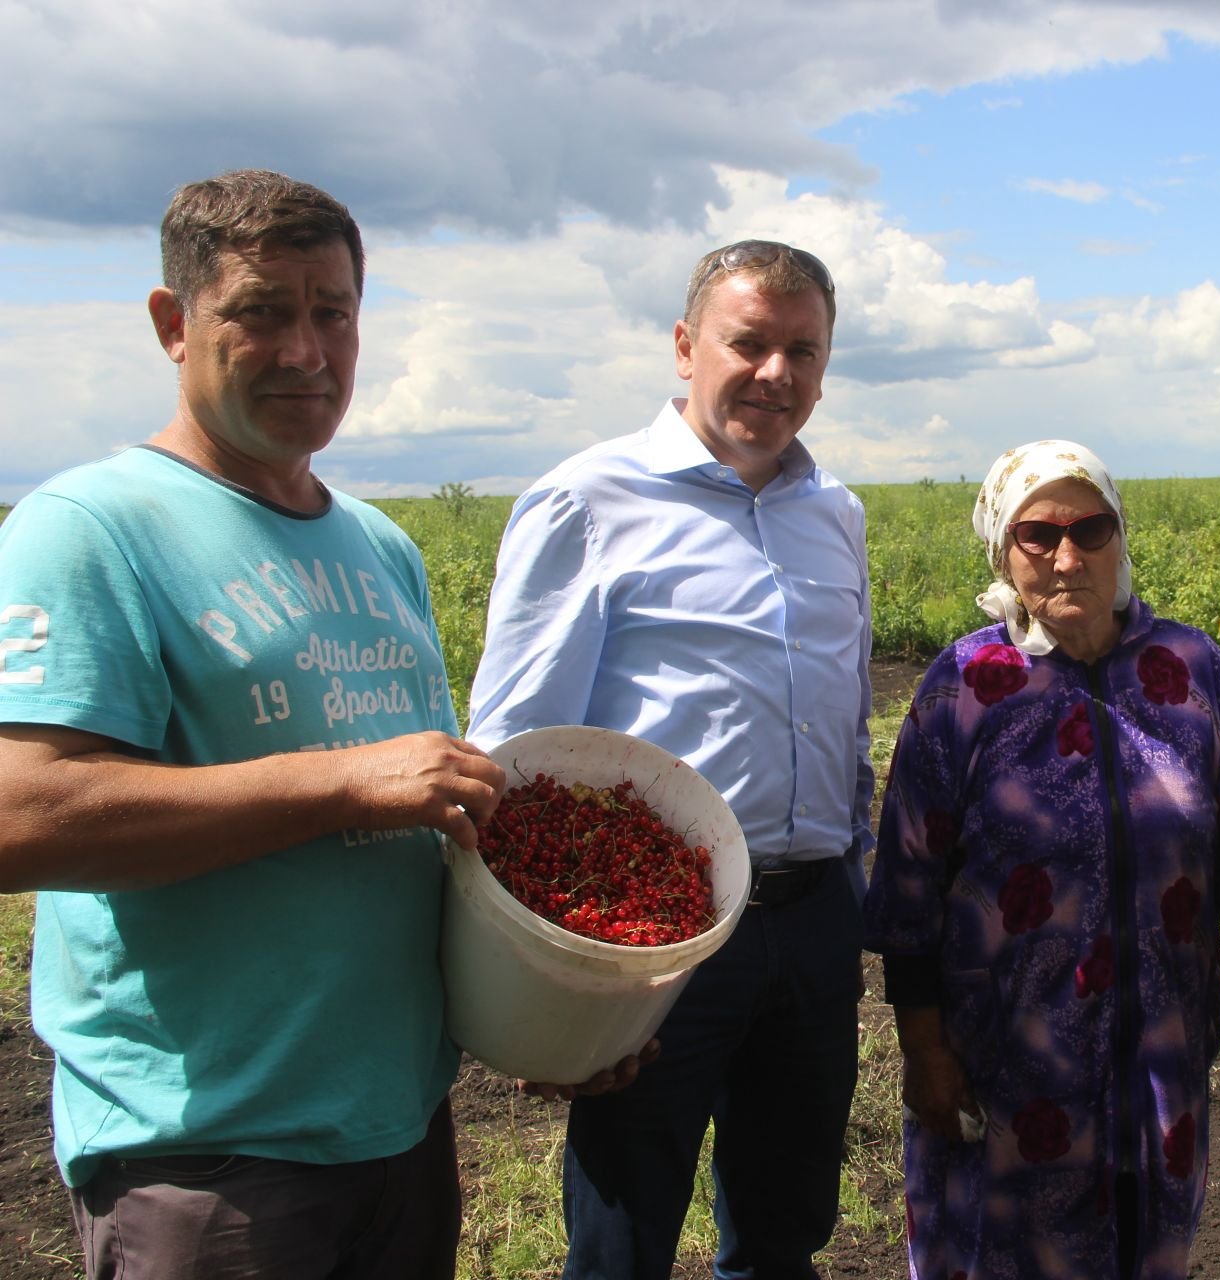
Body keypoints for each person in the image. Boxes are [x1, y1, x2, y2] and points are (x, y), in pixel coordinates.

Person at [0, 170, 516, 1278]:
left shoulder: (378, 545)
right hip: (213, 1160)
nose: (305, 349)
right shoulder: (91, 527)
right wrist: (338, 779)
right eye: (261, 311)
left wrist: (541, 1012)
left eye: (332, 311)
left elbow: (413, 823)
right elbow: (22, 814)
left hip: (398, 1123)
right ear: (172, 323)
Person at [466, 239, 872, 1280]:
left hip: (816, 912)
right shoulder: (589, 501)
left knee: (787, 1224)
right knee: (624, 1227)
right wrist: (535, 977)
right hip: (662, 932)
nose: (776, 373)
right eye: (749, 343)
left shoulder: (836, 516)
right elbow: (515, 745)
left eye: (803, 350)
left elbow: (844, 713)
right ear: (687, 346)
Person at [865, 440, 1220, 1280]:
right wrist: (924, 1050)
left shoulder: (1188, 671)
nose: (1069, 556)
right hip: (1006, 1069)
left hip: (1161, 1064)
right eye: (1038, 534)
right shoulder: (963, 688)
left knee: (1148, 1250)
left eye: (1092, 529)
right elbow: (908, 892)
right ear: (1003, 549)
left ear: (1121, 539)